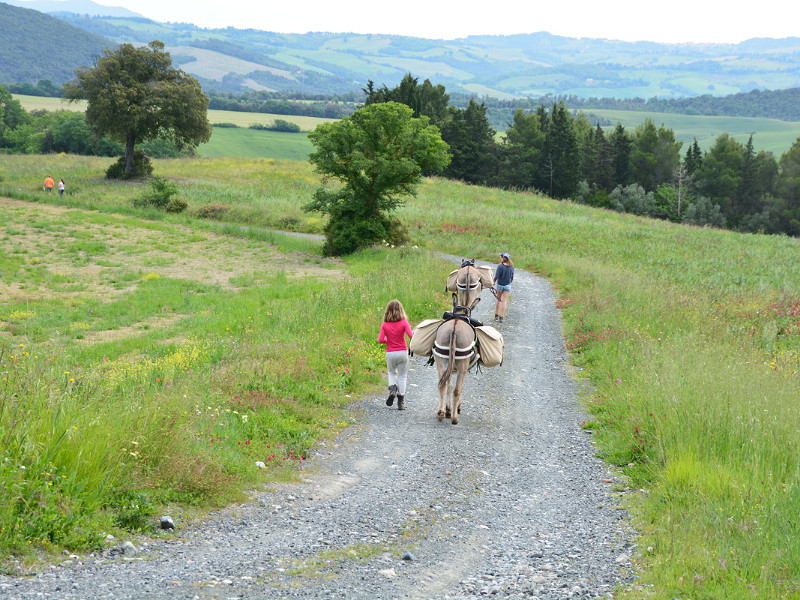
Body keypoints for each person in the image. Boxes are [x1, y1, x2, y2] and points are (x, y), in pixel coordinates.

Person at [378, 299, 413, 410]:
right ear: (400, 310)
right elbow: (411, 335)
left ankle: (393, 390)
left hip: (391, 353)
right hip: (402, 352)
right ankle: (401, 402)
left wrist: (388, 341)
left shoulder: (385, 324)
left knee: (392, 373)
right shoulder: (403, 322)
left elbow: (380, 340)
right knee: (402, 376)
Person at [494, 252, 514, 323]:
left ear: (502, 258)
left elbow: (496, 276)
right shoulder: (511, 267)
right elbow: (512, 277)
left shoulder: (500, 266)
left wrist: (493, 282)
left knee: (499, 299)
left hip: (500, 285)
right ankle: (501, 317)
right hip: (507, 285)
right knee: (504, 301)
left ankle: (496, 315)